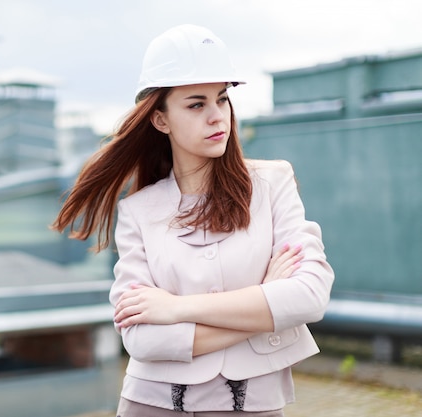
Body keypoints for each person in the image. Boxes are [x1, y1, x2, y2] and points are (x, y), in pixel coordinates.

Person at [52, 24, 334, 416]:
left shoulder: (273, 183)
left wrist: (176, 308)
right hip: (153, 404)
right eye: (196, 104)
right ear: (161, 120)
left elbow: (309, 295)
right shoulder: (138, 211)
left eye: (221, 99)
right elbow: (142, 339)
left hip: (253, 404)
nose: (217, 116)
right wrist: (265, 303)